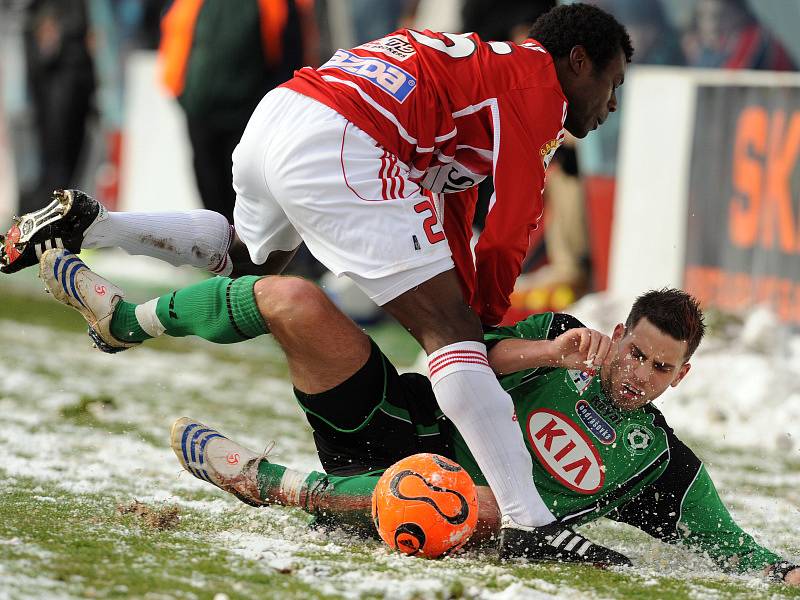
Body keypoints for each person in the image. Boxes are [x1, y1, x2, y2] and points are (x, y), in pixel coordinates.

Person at [2, 4, 633, 562]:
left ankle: (97, 225)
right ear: (577, 61)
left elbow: (458, 207)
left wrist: (469, 303)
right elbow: (510, 225)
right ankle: (531, 523)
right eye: (611, 85)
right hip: (347, 135)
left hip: (285, 112)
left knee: (244, 262)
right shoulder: (538, 90)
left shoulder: (484, 67)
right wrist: (481, 321)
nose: (610, 106)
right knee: (451, 334)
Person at [34, 250, 800, 580]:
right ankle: (125, 320)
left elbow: (737, 548)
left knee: (479, 499)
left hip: (443, 510)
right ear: (623, 333)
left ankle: (271, 484)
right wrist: (550, 355)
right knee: (291, 297)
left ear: (682, 378)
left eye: (660, 369)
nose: (638, 376)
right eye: (635, 353)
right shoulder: (559, 335)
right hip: (398, 425)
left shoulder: (655, 459)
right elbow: (458, 359)